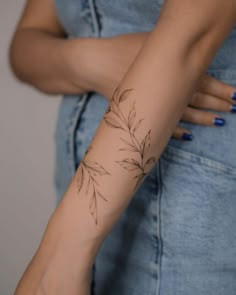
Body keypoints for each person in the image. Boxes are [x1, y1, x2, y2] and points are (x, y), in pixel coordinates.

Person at [9, 0, 236, 294]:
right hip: (78, 211)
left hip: (188, 219)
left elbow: (190, 40)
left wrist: (60, 256)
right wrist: (91, 60)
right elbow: (26, 42)